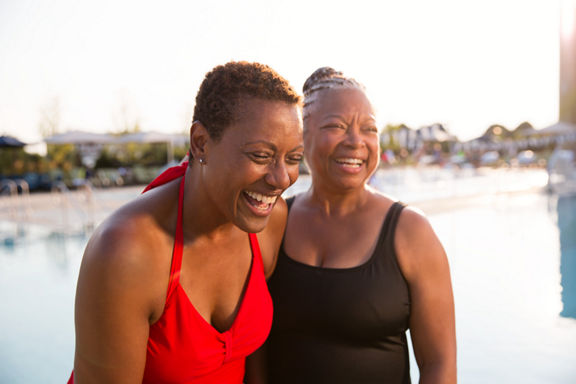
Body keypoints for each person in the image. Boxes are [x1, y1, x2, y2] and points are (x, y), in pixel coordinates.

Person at [67, 61, 304, 383]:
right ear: (201, 143)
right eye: (261, 156)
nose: (281, 179)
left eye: (293, 159)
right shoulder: (127, 252)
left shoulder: (269, 222)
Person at [264, 67, 456, 383]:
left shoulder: (411, 232)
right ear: (301, 134)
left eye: (369, 129)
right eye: (337, 126)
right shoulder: (273, 222)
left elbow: (439, 365)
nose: (356, 141)